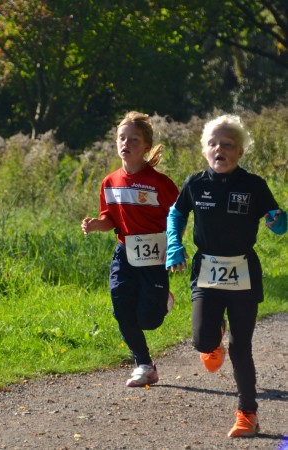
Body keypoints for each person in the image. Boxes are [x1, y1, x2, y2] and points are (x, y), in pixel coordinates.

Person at [165, 114, 287, 438]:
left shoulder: (254, 185)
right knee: (202, 341)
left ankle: (248, 413)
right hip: (207, 270)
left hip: (243, 273)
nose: (220, 148)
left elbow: (279, 221)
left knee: (241, 347)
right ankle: (213, 333)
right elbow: (176, 213)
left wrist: (277, 221)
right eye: (213, 143)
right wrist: (175, 244)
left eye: (228, 144)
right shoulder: (195, 184)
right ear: (205, 150)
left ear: (240, 152)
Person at [81, 111, 179, 387]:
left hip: (154, 254)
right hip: (124, 252)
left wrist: (174, 245)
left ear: (146, 147)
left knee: (149, 320)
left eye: (134, 139)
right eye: (121, 138)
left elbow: (178, 215)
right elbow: (110, 218)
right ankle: (144, 364)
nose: (126, 143)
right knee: (121, 308)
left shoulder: (160, 183)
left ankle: (162, 299)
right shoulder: (109, 182)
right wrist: (96, 225)